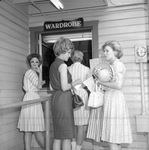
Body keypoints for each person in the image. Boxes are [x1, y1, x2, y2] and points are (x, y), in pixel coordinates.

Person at [96, 41, 133, 150]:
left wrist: (101, 82)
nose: (105, 53)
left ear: (115, 52)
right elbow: (110, 85)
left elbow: (118, 85)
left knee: (114, 136)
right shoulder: (110, 66)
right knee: (113, 136)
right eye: (104, 51)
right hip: (110, 98)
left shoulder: (119, 64)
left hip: (115, 100)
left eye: (107, 51)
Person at [49, 37, 82, 150]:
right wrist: (75, 82)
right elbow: (64, 87)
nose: (69, 55)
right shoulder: (62, 65)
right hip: (63, 100)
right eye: (68, 52)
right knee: (67, 135)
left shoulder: (53, 65)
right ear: (63, 51)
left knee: (58, 136)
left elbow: (51, 86)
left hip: (56, 99)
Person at [17, 53, 45, 150]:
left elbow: (38, 85)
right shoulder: (30, 72)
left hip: (31, 97)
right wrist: (41, 73)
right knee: (36, 129)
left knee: (28, 130)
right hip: (31, 98)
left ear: (39, 63)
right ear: (29, 63)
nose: (34, 64)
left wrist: (39, 78)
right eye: (32, 62)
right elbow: (39, 86)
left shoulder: (31, 73)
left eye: (36, 62)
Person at [68, 50, 92, 150]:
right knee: (81, 125)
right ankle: (78, 148)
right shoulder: (87, 69)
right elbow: (90, 84)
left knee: (72, 124)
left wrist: (74, 87)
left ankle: (73, 147)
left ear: (71, 58)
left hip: (71, 95)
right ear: (81, 58)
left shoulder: (68, 69)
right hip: (82, 96)